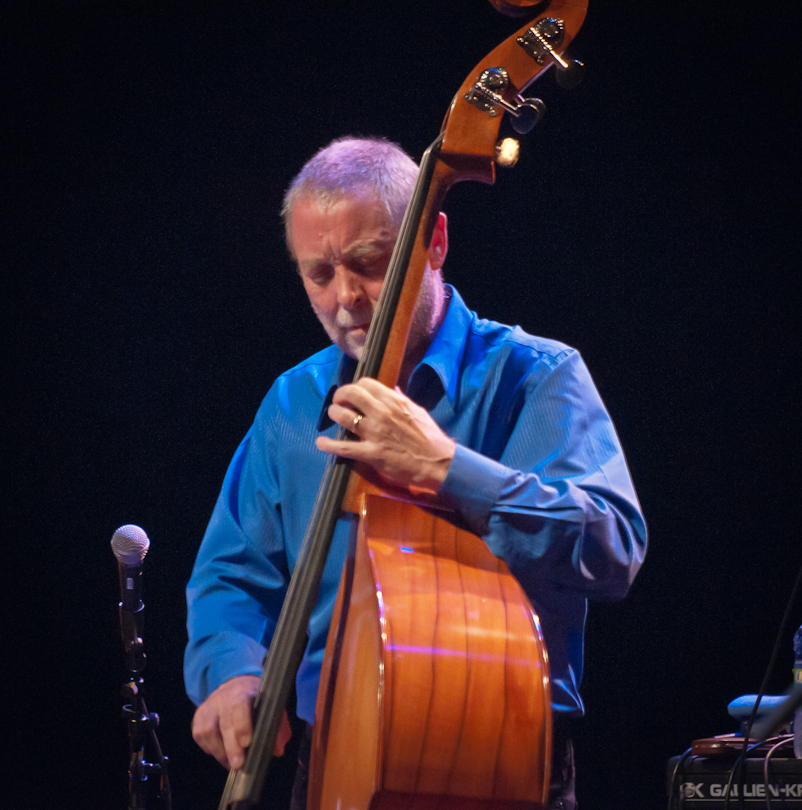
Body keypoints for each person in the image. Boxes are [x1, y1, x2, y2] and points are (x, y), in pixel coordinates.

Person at [185, 136, 647, 809]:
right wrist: (230, 672)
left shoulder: (535, 376)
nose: (345, 298)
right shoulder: (292, 403)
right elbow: (230, 575)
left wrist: (447, 468)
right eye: (319, 274)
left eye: (369, 264)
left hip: (498, 757)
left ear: (433, 242)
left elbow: (612, 548)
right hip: (331, 761)